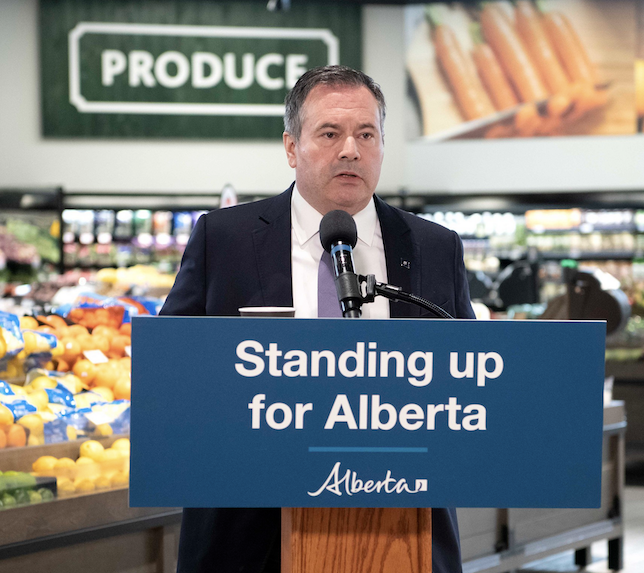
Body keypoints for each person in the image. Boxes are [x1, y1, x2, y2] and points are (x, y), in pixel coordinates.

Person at [160, 65, 474, 573]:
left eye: (366, 134)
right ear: (291, 147)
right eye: (330, 133)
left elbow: (470, 381)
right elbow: (171, 375)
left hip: (405, 532)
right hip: (247, 538)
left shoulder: (435, 247)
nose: (350, 149)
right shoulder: (225, 240)